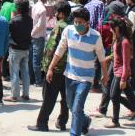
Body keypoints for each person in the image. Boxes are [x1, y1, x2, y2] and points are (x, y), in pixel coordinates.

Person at [46, 7, 108, 136]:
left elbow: (102, 58)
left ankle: (75, 133)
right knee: (71, 105)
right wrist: (51, 68)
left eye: (80, 22)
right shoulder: (68, 31)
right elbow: (59, 50)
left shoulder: (95, 36)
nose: (77, 25)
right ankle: (85, 120)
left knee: (77, 106)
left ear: (87, 23)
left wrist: (105, 75)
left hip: (86, 78)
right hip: (70, 75)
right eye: (75, 22)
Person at [28, 3, 71, 132]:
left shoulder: (59, 27)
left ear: (61, 13)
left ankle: (42, 123)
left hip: (56, 68)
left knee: (48, 97)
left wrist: (47, 67)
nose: (55, 15)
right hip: (66, 68)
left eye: (57, 12)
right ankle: (62, 122)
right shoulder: (71, 27)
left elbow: (52, 47)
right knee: (65, 98)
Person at [104, 17, 135, 129]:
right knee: (119, 94)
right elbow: (116, 57)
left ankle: (116, 120)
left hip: (121, 73)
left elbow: (126, 62)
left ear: (117, 28)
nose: (110, 30)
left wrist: (124, 79)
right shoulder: (117, 39)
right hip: (117, 71)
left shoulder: (124, 42)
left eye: (111, 27)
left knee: (114, 96)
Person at [7, 0, 33, 101]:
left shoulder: (14, 21)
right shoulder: (30, 20)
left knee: (14, 72)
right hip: (26, 49)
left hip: (15, 49)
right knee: (25, 72)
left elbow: (8, 34)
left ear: (18, 8)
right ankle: (26, 94)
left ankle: (14, 95)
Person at [85, 0, 105, 90]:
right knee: (97, 59)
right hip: (96, 34)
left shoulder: (87, 5)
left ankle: (87, 82)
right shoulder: (100, 4)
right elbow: (101, 21)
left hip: (86, 33)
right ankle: (95, 84)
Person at [30, 0, 50, 87]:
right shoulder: (42, 9)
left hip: (35, 35)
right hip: (38, 36)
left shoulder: (35, 6)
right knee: (37, 60)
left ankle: (33, 79)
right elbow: (40, 25)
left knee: (33, 58)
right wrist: (33, 33)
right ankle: (38, 81)